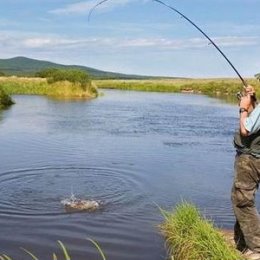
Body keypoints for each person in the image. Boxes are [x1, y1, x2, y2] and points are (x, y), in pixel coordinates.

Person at [232, 85, 260, 259]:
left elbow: (246, 129)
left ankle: (256, 248)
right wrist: (253, 101)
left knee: (242, 201)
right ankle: (242, 242)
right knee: (242, 198)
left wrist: (243, 107)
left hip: (251, 160)